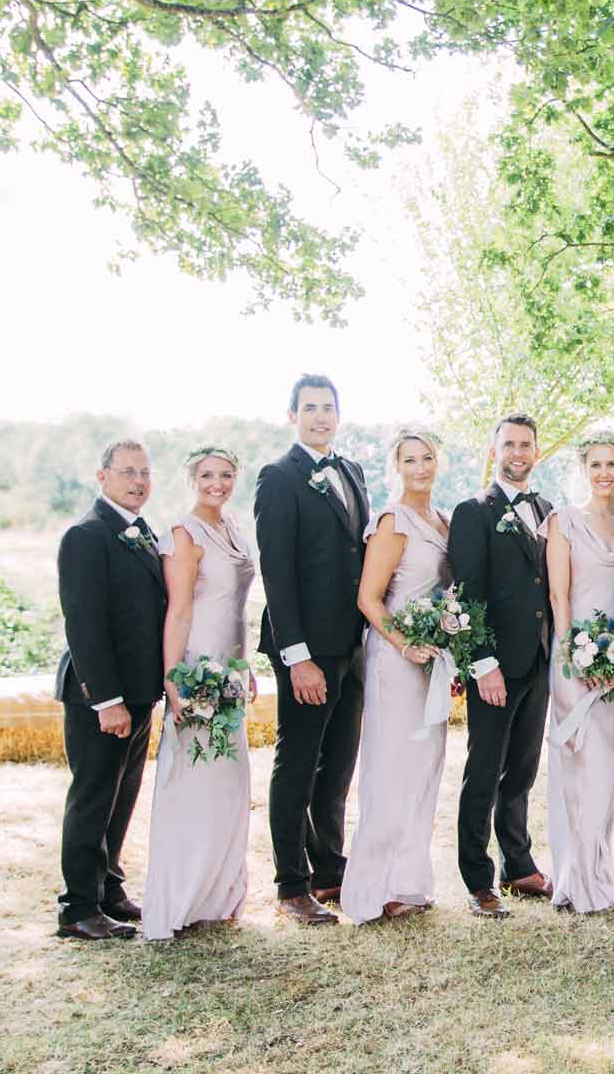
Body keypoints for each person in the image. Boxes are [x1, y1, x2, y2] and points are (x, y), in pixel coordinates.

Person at [255, 373, 371, 925]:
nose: (320, 417)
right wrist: (296, 655)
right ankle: (291, 884)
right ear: (292, 415)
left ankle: (330, 870)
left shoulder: (351, 470)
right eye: (310, 408)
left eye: (328, 408)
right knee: (297, 762)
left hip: (351, 643)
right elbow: (277, 574)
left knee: (338, 765)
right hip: (305, 646)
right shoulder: (278, 478)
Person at [54, 439, 167, 939]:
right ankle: (78, 906)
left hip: (139, 691)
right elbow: (85, 626)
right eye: (127, 472)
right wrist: (107, 700)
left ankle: (109, 889)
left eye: (144, 472)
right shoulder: (86, 534)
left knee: (123, 795)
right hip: (99, 695)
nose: (139, 480)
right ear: (103, 478)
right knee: (94, 796)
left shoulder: (141, 532)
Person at [143, 446, 256, 940]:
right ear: (192, 478)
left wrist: (245, 663)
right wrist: (174, 682)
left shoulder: (233, 527)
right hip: (198, 673)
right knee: (195, 782)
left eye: (226, 474)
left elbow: (236, 606)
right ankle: (185, 896)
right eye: (208, 475)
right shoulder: (184, 533)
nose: (218, 483)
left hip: (230, 671)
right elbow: (179, 612)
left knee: (228, 784)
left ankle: (219, 893)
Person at [341, 430, 453, 924]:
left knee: (424, 769)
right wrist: (405, 643)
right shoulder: (393, 521)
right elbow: (369, 598)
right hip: (395, 661)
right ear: (397, 466)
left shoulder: (444, 521)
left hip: (432, 661)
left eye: (427, 458)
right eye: (410, 459)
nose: (420, 467)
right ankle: (373, 886)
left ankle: (408, 882)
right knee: (390, 770)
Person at [447, 414, 555, 918]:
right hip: (494, 664)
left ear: (536, 451)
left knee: (523, 770)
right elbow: (466, 595)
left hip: (537, 659)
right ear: (494, 452)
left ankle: (518, 863)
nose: (518, 452)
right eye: (509, 444)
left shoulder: (547, 510)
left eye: (526, 444)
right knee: (484, 770)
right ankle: (476, 877)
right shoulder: (473, 512)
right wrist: (482, 663)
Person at [543, 431, 614, 914]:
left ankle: (599, 868)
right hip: (573, 659)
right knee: (579, 765)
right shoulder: (563, 522)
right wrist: (574, 656)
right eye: (596, 465)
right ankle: (574, 878)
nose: (604, 473)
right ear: (584, 469)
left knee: (608, 769)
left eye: (612, 464)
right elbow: (560, 596)